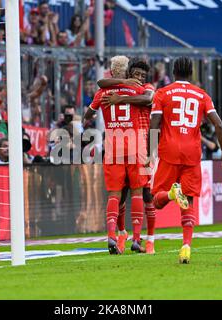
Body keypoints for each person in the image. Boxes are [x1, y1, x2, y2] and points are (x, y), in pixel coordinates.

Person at [148, 56, 222, 264]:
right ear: (191, 73)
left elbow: (154, 123)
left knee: (156, 200)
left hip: (169, 151)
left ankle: (170, 193)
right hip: (192, 153)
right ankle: (186, 246)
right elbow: (219, 126)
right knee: (189, 199)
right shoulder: (202, 95)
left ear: (174, 72)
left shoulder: (162, 93)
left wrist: (150, 152)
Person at [83, 55, 151, 254]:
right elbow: (148, 99)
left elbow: (88, 115)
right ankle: (137, 239)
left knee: (114, 194)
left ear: (112, 71)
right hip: (136, 145)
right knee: (138, 191)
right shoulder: (137, 89)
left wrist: (96, 111)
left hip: (113, 147)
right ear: (128, 71)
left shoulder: (103, 91)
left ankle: (112, 236)